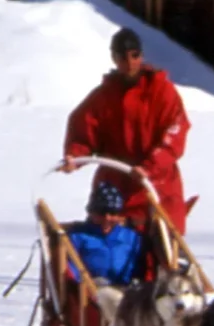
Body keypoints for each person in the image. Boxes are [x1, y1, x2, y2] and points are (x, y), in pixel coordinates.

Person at [61, 26, 191, 234]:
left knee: (162, 244)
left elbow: (174, 135)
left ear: (142, 56)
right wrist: (74, 156)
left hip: (157, 186)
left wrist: (149, 167)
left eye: (134, 55)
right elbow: (83, 131)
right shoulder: (103, 97)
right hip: (116, 188)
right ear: (114, 58)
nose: (129, 62)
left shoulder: (163, 92)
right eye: (122, 57)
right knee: (108, 242)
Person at [64, 182, 147, 285]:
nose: (107, 218)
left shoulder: (132, 238)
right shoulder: (78, 236)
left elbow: (140, 267)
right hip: (92, 288)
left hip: (126, 289)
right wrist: (83, 283)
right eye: (101, 213)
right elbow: (71, 268)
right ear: (91, 213)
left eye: (112, 213)